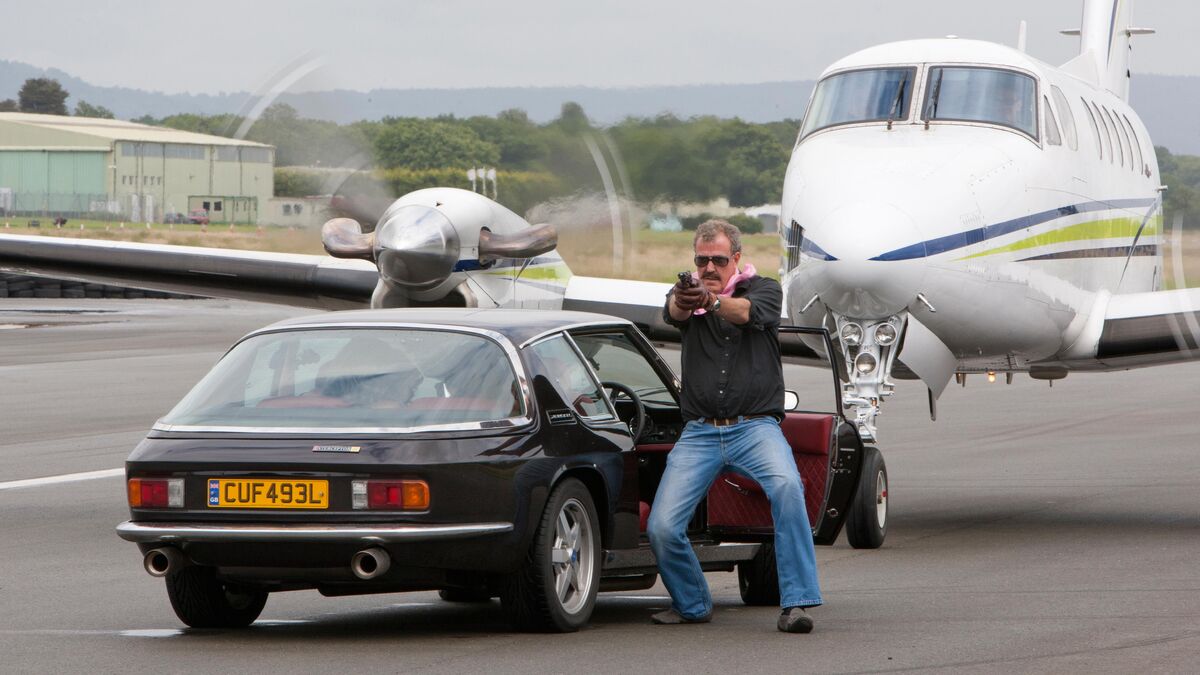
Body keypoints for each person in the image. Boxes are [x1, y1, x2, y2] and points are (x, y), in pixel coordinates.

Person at [648, 219, 822, 634]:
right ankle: (692, 604)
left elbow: (746, 313)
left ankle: (796, 603)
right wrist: (687, 299)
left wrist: (708, 300)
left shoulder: (763, 289)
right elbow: (673, 311)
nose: (709, 267)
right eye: (702, 260)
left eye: (718, 260)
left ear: (737, 259)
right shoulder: (687, 294)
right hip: (700, 433)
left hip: (755, 428)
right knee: (662, 527)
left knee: (787, 488)